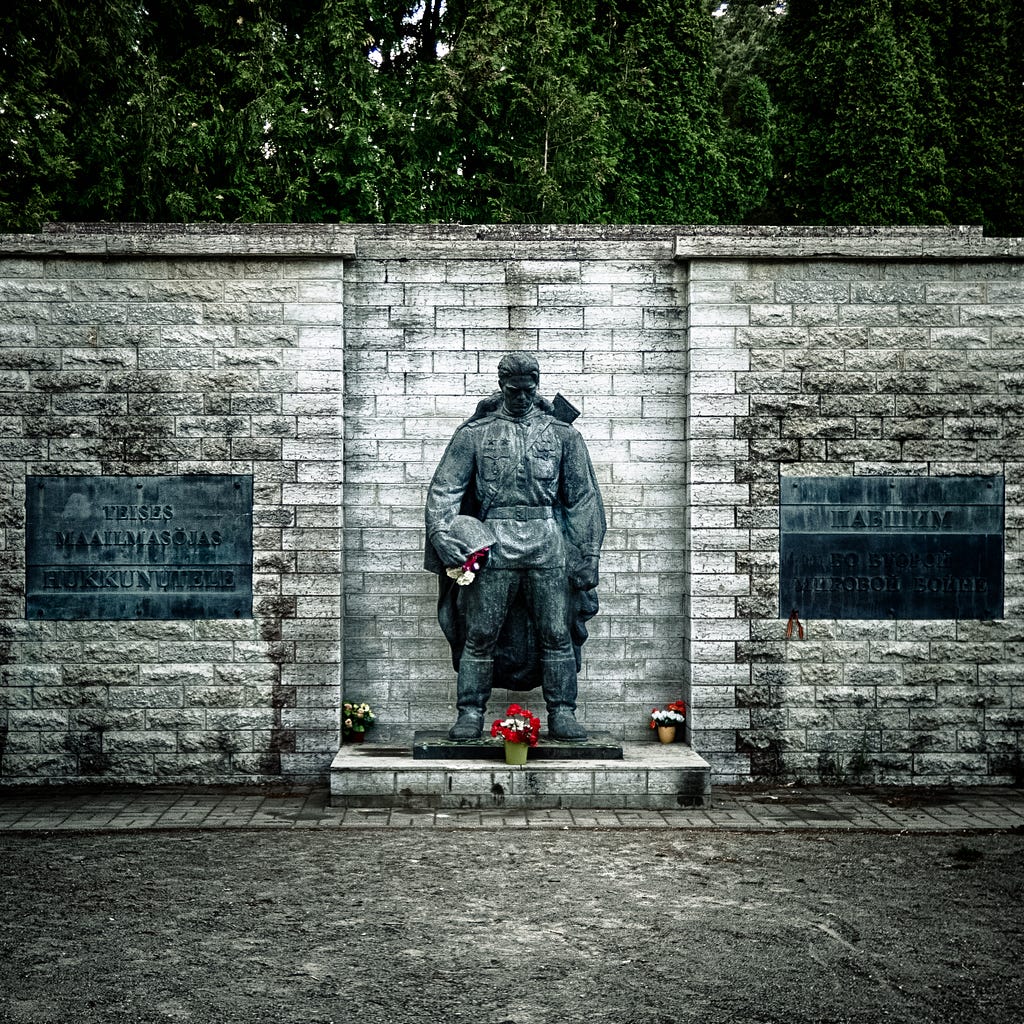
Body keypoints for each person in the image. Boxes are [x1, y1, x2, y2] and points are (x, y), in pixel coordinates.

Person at [424, 353, 606, 741]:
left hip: (547, 543)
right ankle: (470, 711)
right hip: (494, 542)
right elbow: (445, 489)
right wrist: (442, 536)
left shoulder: (563, 435)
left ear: (536, 385)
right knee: (481, 632)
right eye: (513, 390)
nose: (522, 397)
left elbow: (583, 499)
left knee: (556, 633)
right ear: (502, 386)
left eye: (528, 390)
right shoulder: (474, 434)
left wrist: (588, 555)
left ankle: (562, 712)